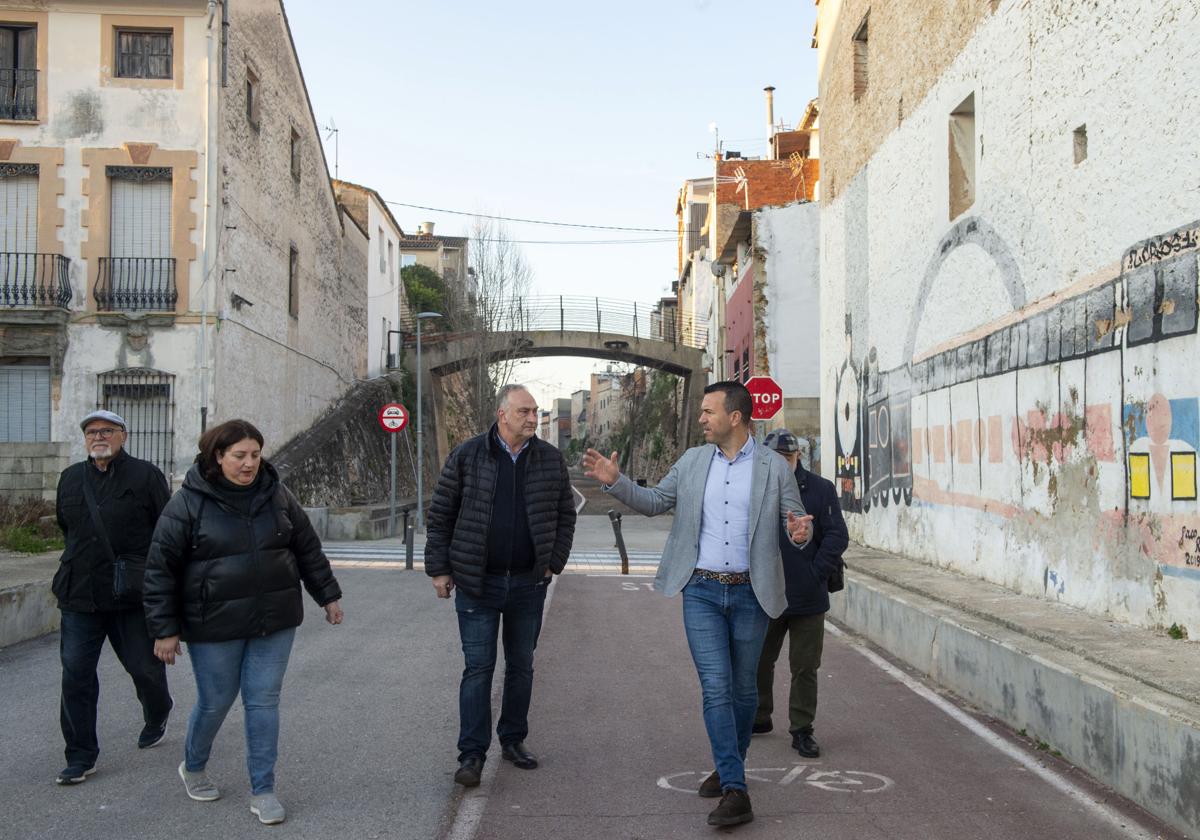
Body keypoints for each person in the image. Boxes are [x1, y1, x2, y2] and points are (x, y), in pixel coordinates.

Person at [583, 381, 812, 828]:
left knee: (745, 691)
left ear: (736, 417)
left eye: (709, 412)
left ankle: (728, 768)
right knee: (715, 687)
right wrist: (617, 483)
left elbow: (794, 522)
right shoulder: (692, 461)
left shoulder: (773, 468)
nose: (701, 419)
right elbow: (655, 502)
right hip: (702, 590)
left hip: (751, 592)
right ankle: (735, 788)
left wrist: (801, 534)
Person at [142, 419, 343, 826]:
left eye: (255, 454)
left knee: (263, 702)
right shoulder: (187, 503)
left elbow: (306, 546)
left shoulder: (278, 495)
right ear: (218, 457)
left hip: (274, 619)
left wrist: (328, 595)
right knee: (216, 702)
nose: (249, 463)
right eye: (239, 456)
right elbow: (160, 568)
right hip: (213, 623)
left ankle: (263, 789)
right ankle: (194, 766)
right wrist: (164, 629)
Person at [425, 384, 577, 788]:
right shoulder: (468, 455)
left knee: (521, 666)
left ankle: (513, 740)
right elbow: (440, 516)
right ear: (502, 414)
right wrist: (439, 570)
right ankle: (471, 755)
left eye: (535, 411)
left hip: (529, 584)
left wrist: (553, 563)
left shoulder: (549, 459)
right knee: (478, 669)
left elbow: (566, 514)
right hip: (478, 583)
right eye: (525, 411)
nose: (532, 418)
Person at [50, 409, 174, 785]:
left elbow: (166, 532)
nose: (98, 436)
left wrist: (165, 589)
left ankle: (158, 710)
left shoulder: (146, 476)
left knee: (143, 669)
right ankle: (80, 754)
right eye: (91, 431)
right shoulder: (70, 478)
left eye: (106, 430)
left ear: (123, 435)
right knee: (76, 677)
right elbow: (65, 525)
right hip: (79, 595)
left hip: (130, 597)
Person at [753, 429, 848, 759]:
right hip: (767, 592)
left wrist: (815, 572)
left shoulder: (821, 490)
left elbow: (837, 536)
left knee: (805, 667)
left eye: (787, 458)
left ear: (797, 458)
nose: (781, 463)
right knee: (759, 660)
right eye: (774, 458)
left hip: (808, 596)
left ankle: (802, 729)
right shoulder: (755, 489)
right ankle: (760, 716)